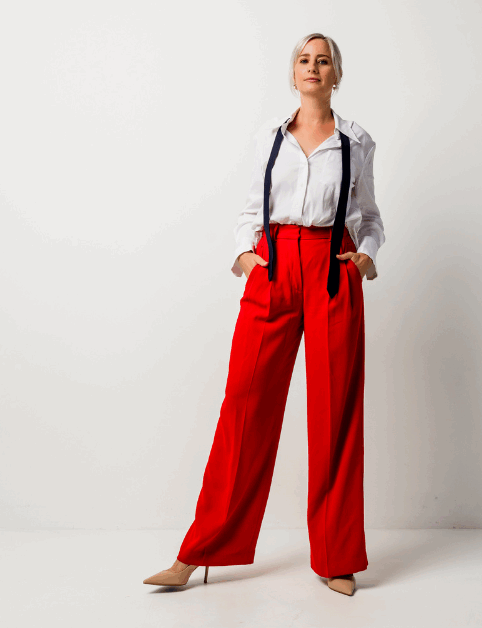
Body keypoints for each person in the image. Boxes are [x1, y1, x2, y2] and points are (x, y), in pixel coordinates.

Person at [143, 33, 386, 597]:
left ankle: (337, 556)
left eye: (323, 60)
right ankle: (198, 552)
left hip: (331, 268)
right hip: (274, 267)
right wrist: (246, 257)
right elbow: (250, 211)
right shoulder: (270, 139)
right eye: (304, 59)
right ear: (293, 72)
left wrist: (366, 258)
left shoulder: (357, 142)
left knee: (335, 413)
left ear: (336, 74)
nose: (312, 67)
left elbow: (370, 215)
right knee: (244, 405)